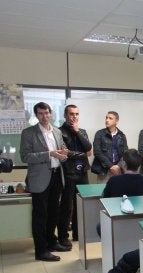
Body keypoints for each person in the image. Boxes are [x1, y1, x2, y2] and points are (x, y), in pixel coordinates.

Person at [20, 102, 69, 262]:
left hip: (56, 176)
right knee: (40, 216)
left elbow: (62, 153)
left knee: (54, 214)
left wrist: (63, 154)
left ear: (51, 113)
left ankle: (51, 243)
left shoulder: (57, 131)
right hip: (39, 179)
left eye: (47, 113)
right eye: (41, 113)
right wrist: (49, 154)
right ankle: (40, 251)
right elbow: (25, 157)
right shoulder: (28, 133)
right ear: (36, 115)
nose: (45, 116)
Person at [58, 104, 92, 247]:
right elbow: (63, 152)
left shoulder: (82, 131)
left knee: (82, 205)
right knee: (67, 207)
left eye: (77, 114)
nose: (74, 117)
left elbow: (89, 149)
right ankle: (63, 237)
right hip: (68, 172)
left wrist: (77, 132)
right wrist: (83, 154)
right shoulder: (59, 132)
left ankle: (78, 234)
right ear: (65, 115)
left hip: (82, 172)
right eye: (71, 114)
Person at [91, 111, 127, 181]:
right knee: (102, 191)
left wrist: (118, 166)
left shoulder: (121, 135)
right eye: (106, 118)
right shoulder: (100, 134)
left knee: (118, 190)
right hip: (104, 170)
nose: (107, 120)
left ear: (116, 121)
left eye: (110, 118)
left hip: (118, 170)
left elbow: (125, 153)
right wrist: (111, 166)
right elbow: (97, 152)